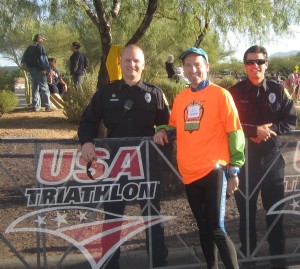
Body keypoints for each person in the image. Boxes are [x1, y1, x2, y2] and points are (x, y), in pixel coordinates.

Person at [78, 44, 170, 268]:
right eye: (127, 60)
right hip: (115, 164)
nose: (132, 65)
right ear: (120, 63)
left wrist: (163, 131)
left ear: (143, 64)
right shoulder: (105, 93)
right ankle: (110, 264)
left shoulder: (155, 93)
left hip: (146, 164)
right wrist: (87, 142)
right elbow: (88, 120)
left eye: (136, 60)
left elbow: (168, 124)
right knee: (112, 217)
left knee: (152, 217)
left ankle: (158, 263)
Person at [153, 47, 245, 269]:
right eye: (188, 65)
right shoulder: (182, 97)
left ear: (207, 67)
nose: (192, 69)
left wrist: (234, 169)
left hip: (214, 170)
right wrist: (163, 130)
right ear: (183, 69)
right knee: (203, 227)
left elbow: (235, 132)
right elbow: (175, 127)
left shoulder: (221, 95)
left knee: (216, 228)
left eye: (197, 64)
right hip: (189, 172)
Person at [228, 45, 297, 269]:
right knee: (246, 218)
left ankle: (279, 262)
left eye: (259, 61)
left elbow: (291, 120)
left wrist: (271, 128)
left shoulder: (278, 89)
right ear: (244, 65)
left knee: (274, 214)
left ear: (266, 64)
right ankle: (249, 263)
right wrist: (252, 131)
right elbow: (229, 124)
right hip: (244, 162)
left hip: (272, 161)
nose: (254, 66)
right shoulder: (234, 92)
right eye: (249, 62)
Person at [21, 34, 54, 112]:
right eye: (42, 39)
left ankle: (35, 106)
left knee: (35, 88)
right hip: (39, 70)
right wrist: (49, 70)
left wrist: (26, 67)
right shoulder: (40, 47)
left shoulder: (29, 47)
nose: (43, 40)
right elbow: (44, 60)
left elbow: (24, 59)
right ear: (39, 39)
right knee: (44, 88)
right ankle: (48, 106)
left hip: (31, 70)